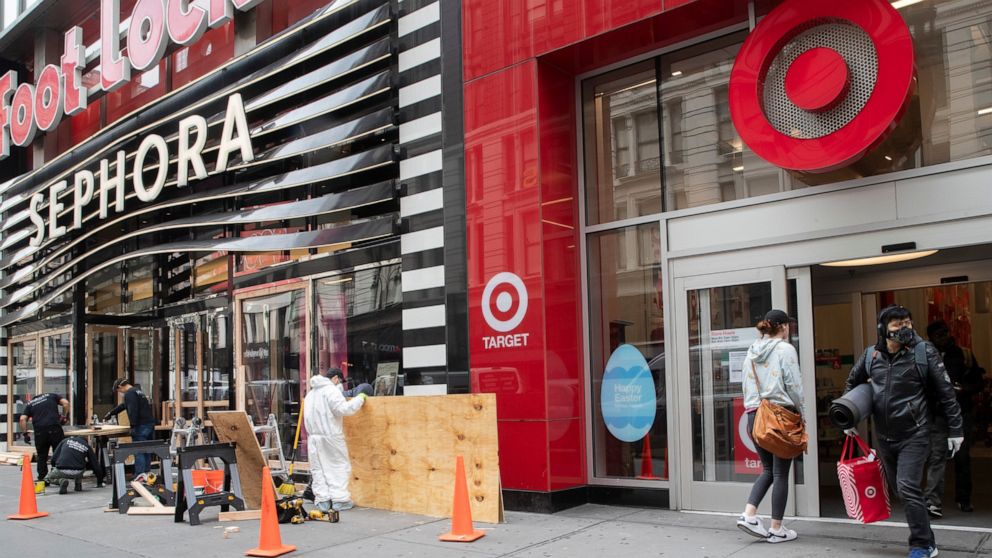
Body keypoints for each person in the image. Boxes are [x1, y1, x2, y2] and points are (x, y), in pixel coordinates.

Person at [844, 305, 964, 558]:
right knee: (902, 491)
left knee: (907, 486)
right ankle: (928, 540)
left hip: (916, 433)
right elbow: (852, 382)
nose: (904, 328)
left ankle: (921, 545)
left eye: (907, 323)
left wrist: (956, 429)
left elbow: (946, 392)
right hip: (885, 436)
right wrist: (848, 417)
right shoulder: (871, 356)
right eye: (897, 324)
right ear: (883, 329)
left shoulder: (923, 351)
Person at [736, 309, 803, 544]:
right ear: (783, 326)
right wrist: (802, 413)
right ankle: (776, 529)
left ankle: (749, 514)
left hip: (754, 416)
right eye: (788, 325)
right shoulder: (785, 349)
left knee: (767, 469)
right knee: (780, 473)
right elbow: (794, 385)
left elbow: (745, 386)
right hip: (779, 416)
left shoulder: (752, 351)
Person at [924, 320, 984, 516]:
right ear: (931, 338)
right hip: (938, 414)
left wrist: (964, 389)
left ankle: (963, 498)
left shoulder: (963, 355)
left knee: (962, 457)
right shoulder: (925, 356)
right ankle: (933, 501)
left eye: (945, 332)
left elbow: (978, 382)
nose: (944, 337)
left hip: (961, 412)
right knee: (937, 456)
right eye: (938, 334)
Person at [304, 367, 367, 513]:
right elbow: (344, 409)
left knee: (319, 469)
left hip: (313, 438)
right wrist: (360, 398)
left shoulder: (310, 394)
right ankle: (340, 500)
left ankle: (323, 501)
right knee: (337, 467)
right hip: (331, 436)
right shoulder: (331, 391)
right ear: (336, 379)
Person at [104, 378, 156, 482]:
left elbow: (133, 410)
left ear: (120, 387)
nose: (120, 393)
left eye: (118, 391)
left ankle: (140, 475)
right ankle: (147, 473)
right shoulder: (137, 391)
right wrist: (111, 413)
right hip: (149, 424)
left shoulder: (129, 394)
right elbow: (124, 405)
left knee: (139, 450)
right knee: (147, 449)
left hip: (140, 426)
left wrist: (133, 426)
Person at [18, 391, 70, 481]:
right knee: (58, 453)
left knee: (42, 456)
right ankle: (57, 477)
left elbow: (22, 419)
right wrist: (64, 416)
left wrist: (25, 434)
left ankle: (42, 479)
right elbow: (66, 403)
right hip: (54, 428)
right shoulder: (52, 395)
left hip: (40, 432)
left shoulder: (31, 403)